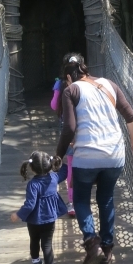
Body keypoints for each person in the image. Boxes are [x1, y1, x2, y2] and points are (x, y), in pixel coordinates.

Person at [55, 53, 133, 264]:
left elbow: (69, 128)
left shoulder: (71, 90)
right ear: (85, 69)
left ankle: (91, 240)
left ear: (68, 77)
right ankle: (107, 249)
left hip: (86, 156)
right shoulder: (108, 84)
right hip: (115, 155)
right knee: (105, 199)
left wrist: (59, 156)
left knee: (80, 200)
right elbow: (131, 116)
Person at [10, 151, 68, 264]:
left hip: (34, 220)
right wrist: (66, 160)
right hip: (49, 218)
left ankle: (36, 261)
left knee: (34, 240)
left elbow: (30, 204)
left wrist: (18, 214)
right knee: (47, 244)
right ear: (50, 165)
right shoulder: (54, 177)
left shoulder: (33, 184)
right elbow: (64, 173)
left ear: (31, 168)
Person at [51, 73, 75, 215]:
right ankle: (82, 201)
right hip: (87, 132)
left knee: (71, 167)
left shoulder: (60, 83)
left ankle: (72, 203)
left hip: (69, 134)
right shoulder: (87, 81)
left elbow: (54, 105)